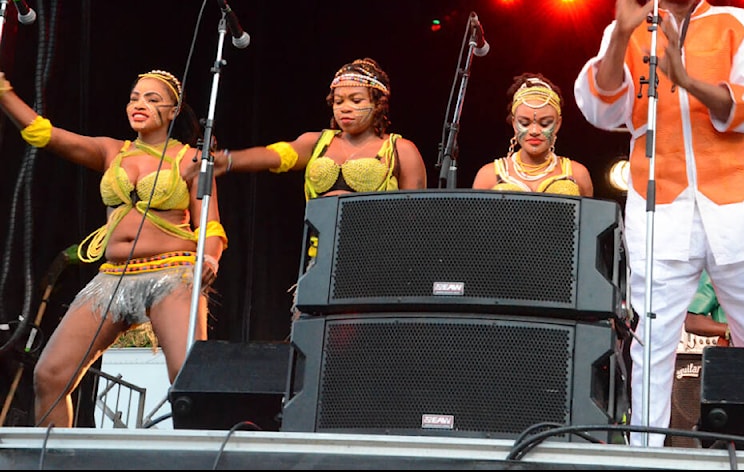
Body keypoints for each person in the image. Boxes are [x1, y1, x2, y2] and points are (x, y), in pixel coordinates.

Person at [572, 0, 744, 447]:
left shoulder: (736, 22)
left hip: (737, 203)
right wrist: (623, 31)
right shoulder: (624, 30)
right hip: (661, 207)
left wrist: (688, 79)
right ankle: (646, 453)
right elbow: (603, 109)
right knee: (652, 340)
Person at [0, 67, 226, 428]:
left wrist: (210, 256)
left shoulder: (190, 159)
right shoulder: (110, 151)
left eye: (153, 100)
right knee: (50, 374)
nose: (140, 104)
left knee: (188, 382)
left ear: (173, 111)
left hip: (172, 271)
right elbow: (43, 134)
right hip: (113, 277)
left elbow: (211, 224)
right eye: (135, 97)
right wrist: (4, 92)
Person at [206, 57, 427, 195]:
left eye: (356, 100)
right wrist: (228, 159)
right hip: (321, 255)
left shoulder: (400, 149)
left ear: (378, 104)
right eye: (338, 102)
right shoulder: (317, 143)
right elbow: (274, 155)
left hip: (378, 256)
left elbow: (415, 213)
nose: (345, 108)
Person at [473, 73, 594, 196]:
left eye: (545, 123)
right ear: (514, 124)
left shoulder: (577, 174)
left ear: (557, 124)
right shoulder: (488, 176)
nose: (534, 131)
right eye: (525, 123)